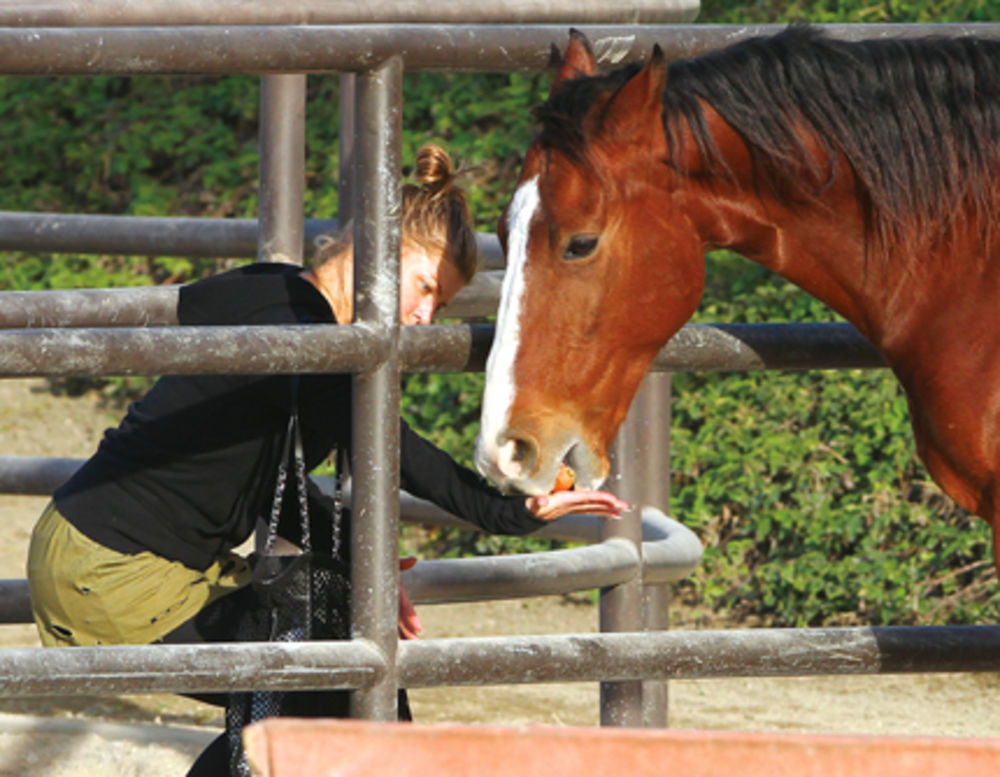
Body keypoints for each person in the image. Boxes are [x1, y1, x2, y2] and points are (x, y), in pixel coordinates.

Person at [26, 144, 628, 774]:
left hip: (116, 553)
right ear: (374, 247)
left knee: (342, 676)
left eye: (441, 306)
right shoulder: (309, 338)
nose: (424, 317)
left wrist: (356, 568)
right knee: (328, 690)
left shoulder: (279, 292)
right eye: (424, 286)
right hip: (114, 572)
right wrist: (514, 510)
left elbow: (264, 478)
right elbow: (397, 453)